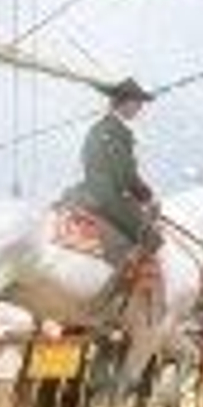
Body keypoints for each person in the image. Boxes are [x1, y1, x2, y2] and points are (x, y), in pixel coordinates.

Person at [58, 78, 162, 270]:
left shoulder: (103, 128)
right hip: (106, 195)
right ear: (125, 102)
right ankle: (120, 288)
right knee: (152, 238)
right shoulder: (114, 131)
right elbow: (124, 172)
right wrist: (146, 196)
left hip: (93, 189)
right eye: (137, 102)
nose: (139, 108)